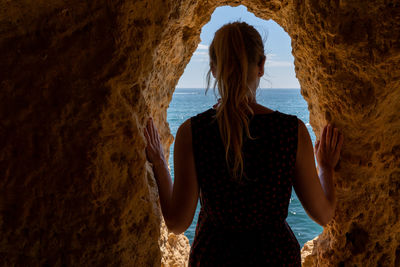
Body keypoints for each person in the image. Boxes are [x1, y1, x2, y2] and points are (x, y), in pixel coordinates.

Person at [144, 21, 343, 267]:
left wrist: (159, 162)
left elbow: (177, 222)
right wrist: (325, 167)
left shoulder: (193, 132)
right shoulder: (291, 131)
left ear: (214, 69)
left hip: (214, 258)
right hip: (275, 258)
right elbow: (323, 214)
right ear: (261, 66)